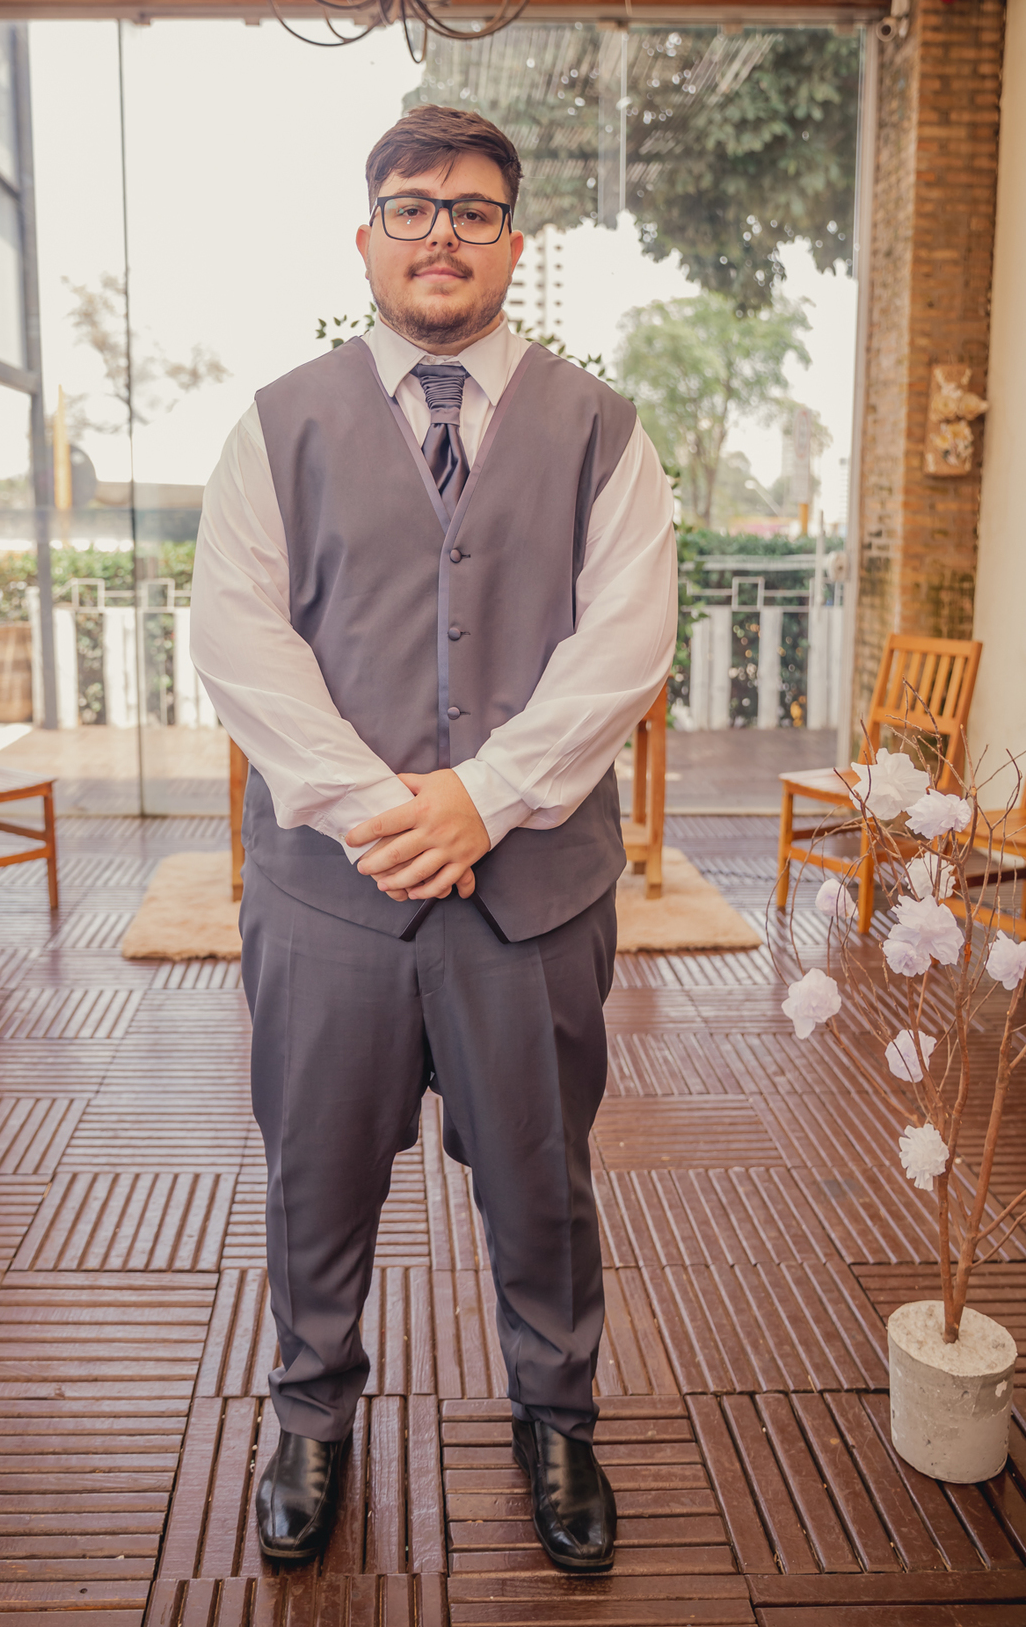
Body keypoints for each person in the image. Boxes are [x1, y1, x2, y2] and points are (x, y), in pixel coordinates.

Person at [191, 106, 677, 1573]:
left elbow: (626, 644)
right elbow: (237, 640)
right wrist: (376, 809)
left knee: (543, 1177)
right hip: (330, 901)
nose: (441, 234)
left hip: (532, 897)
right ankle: (311, 1417)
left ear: (514, 245)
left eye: (471, 210)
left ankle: (557, 1417)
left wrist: (489, 794)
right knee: (315, 1174)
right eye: (411, 208)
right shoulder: (276, 423)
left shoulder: (603, 428)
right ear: (367, 240)